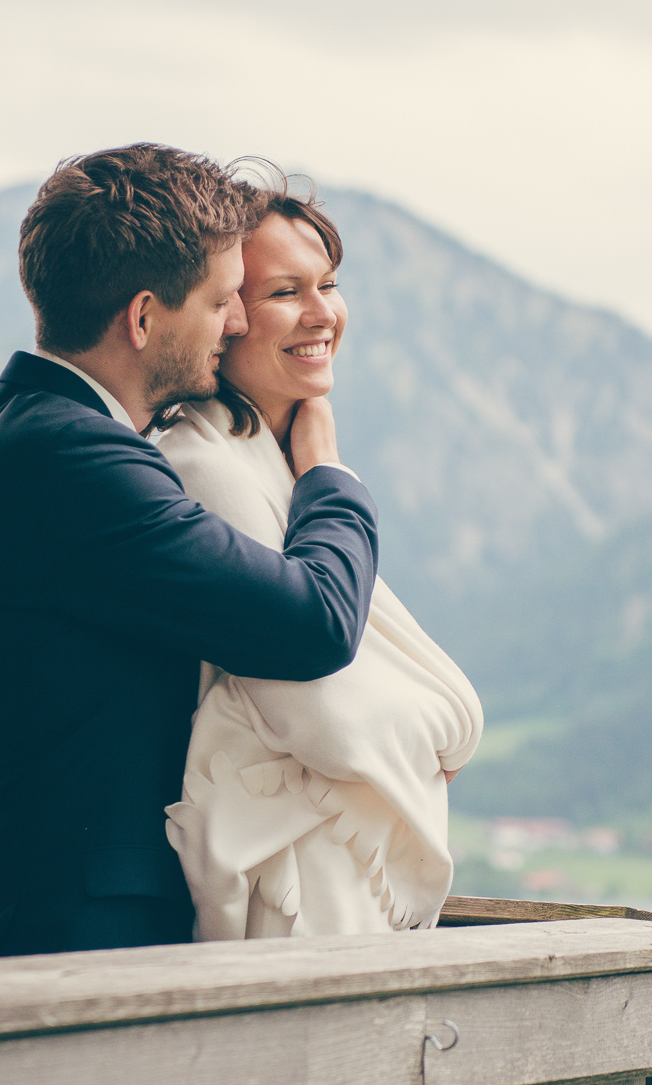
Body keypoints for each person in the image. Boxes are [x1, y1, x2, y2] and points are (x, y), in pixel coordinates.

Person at [0, 145, 379, 959]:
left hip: (53, 934)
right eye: (219, 302)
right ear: (142, 318)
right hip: (60, 949)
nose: (234, 323)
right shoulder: (72, 465)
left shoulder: (39, 437)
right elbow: (313, 621)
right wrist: (326, 470)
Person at [160, 186, 482, 938]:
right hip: (291, 901)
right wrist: (446, 722)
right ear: (226, 315)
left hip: (333, 882)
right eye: (285, 292)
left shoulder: (283, 465)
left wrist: (320, 472)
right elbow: (331, 717)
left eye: (329, 285)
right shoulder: (200, 465)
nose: (322, 314)